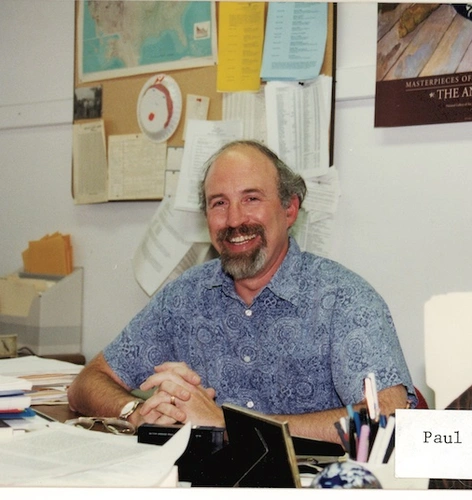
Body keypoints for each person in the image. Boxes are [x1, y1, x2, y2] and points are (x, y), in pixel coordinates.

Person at [68, 140, 416, 444]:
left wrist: (228, 425)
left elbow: (387, 419)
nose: (234, 220)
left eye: (251, 198)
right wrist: (135, 411)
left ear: (289, 208)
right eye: (219, 203)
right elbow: (86, 382)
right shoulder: (185, 297)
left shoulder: (345, 298)